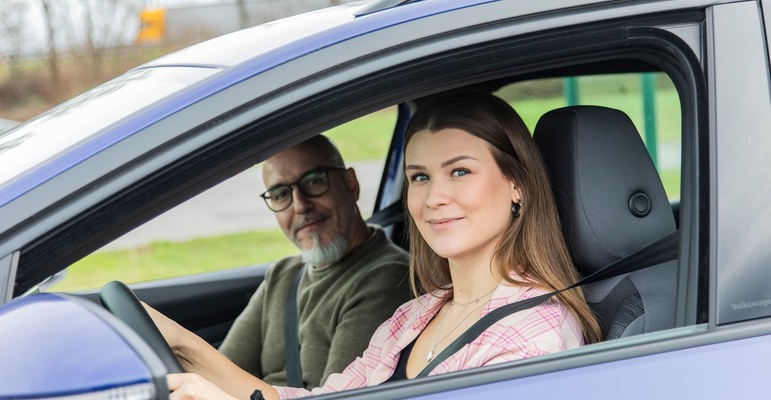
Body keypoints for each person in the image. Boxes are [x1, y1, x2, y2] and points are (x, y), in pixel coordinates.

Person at [148, 92, 601, 400]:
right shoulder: (417, 315)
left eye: (460, 171)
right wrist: (181, 343)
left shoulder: (533, 336)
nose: (434, 196)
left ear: (517, 183)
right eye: (420, 177)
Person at [217, 135, 412, 389]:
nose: (299, 205)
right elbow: (218, 370)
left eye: (314, 181)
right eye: (280, 194)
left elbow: (337, 397)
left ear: (351, 184)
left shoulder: (387, 277)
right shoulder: (283, 273)